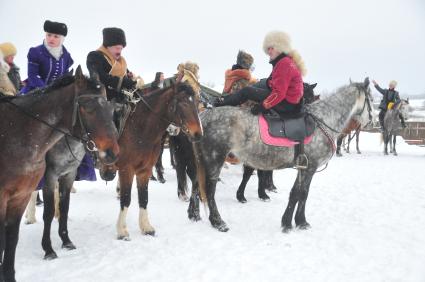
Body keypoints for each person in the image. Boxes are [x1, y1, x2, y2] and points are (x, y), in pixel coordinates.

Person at [215, 30, 306, 118]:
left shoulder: (284, 64)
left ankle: (222, 102)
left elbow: (279, 93)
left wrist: (262, 106)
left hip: (286, 104)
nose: (269, 51)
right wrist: (266, 83)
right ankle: (225, 100)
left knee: (247, 91)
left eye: (272, 48)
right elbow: (276, 83)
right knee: (256, 86)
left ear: (280, 48)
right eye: (268, 48)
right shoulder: (283, 62)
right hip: (288, 101)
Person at [86, 27, 144, 102]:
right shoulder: (95, 56)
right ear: (108, 46)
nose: (119, 52)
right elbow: (100, 77)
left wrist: (132, 80)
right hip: (104, 103)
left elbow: (127, 82)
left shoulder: (121, 62)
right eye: (117, 48)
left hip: (123, 102)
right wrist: (124, 82)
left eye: (121, 49)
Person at [20, 20, 73, 94]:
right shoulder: (36, 52)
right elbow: (33, 76)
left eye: (56, 36)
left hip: (57, 94)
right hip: (35, 92)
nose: (51, 38)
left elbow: (65, 78)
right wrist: (47, 90)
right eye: (49, 35)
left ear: (62, 39)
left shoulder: (66, 57)